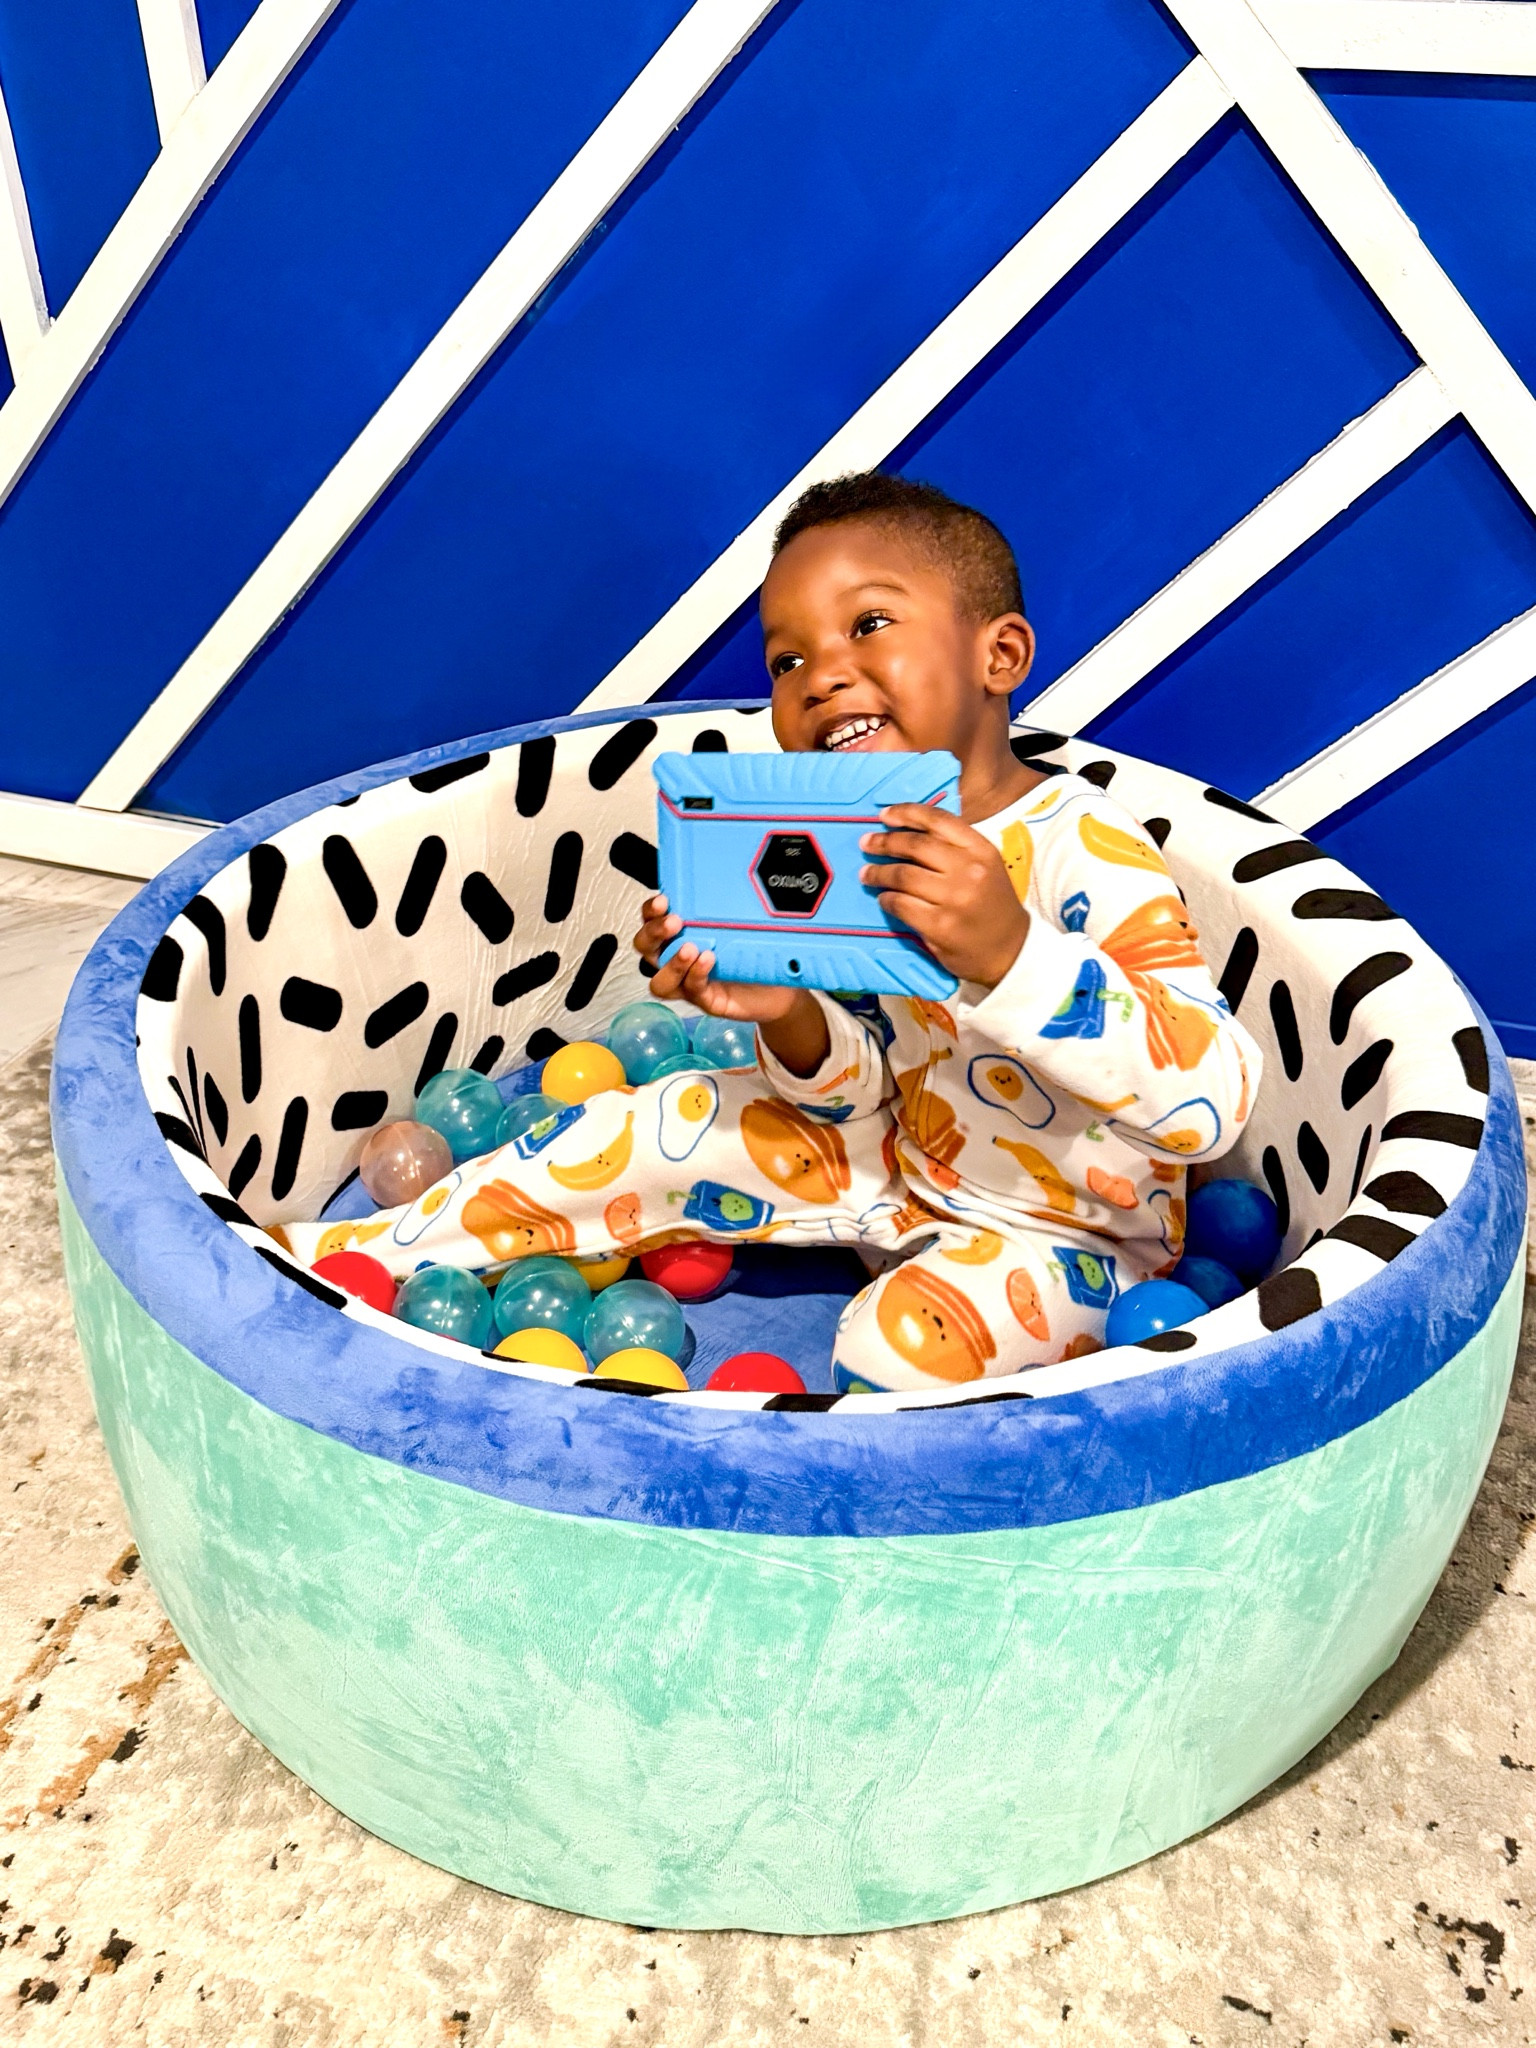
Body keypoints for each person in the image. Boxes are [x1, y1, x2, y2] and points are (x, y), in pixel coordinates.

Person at [295, 472, 1261, 1392]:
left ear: (997, 655)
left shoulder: (1082, 847)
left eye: (870, 624)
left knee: (898, 1351)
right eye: (787, 659)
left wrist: (1012, 954)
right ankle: (347, 1262)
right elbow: (861, 1093)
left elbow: (1211, 1100)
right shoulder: (846, 841)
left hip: (1070, 1239)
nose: (820, 677)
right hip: (893, 1164)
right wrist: (786, 1011)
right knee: (648, 1121)